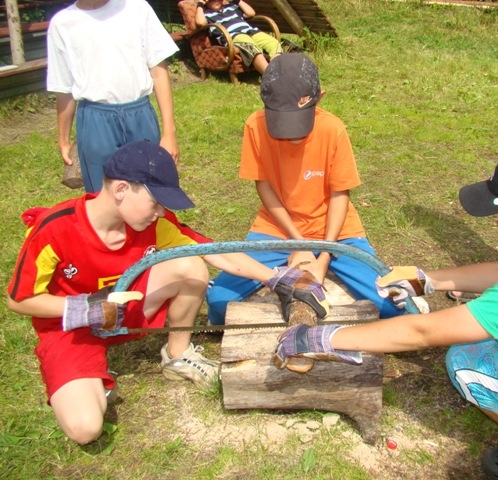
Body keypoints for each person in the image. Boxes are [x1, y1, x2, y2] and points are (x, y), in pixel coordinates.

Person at [273, 146, 498, 480]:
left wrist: (325, 336)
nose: (497, 223)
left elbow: (423, 333)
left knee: (467, 363)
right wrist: (426, 280)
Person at [6, 140, 327, 446]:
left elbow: (214, 252)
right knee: (85, 428)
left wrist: (277, 279)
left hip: (126, 312)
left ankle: (178, 355)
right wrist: (83, 309)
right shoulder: (54, 229)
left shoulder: (152, 224)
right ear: (121, 190)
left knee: (190, 265)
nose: (160, 212)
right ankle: (88, 382)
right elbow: (18, 300)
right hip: (71, 329)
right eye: (155, 202)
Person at [206, 53, 406, 325]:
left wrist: (323, 257)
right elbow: (263, 185)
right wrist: (298, 243)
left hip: (337, 232)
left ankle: (341, 270)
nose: (291, 134)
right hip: (277, 228)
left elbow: (340, 195)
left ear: (318, 98)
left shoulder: (333, 129)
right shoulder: (255, 125)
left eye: (298, 123)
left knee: (393, 307)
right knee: (218, 303)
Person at [46, 0, 180, 193]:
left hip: (139, 115)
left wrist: (169, 132)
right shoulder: (62, 23)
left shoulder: (137, 8)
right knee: (103, 194)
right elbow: (64, 88)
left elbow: (158, 70)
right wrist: (63, 139)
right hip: (95, 121)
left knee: (149, 192)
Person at [195, 0, 282, 74]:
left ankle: (278, 74)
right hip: (233, 36)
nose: (216, 1)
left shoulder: (232, 7)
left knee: (274, 43)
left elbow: (251, 13)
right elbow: (200, 23)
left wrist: (237, 0)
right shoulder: (206, 14)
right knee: (251, 47)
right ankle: (271, 77)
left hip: (251, 32)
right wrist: (200, 4)